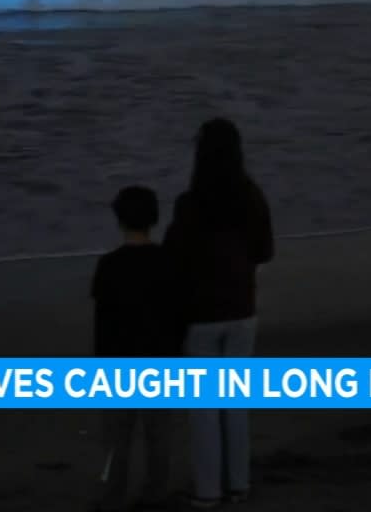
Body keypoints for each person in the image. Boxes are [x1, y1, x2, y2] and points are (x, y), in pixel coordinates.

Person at [162, 118, 274, 509]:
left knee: (205, 408)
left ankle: (208, 490)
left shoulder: (190, 204)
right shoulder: (251, 196)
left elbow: (173, 261)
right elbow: (265, 252)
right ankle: (238, 484)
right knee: (236, 402)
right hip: (242, 309)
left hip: (201, 314)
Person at [91, 185, 185, 512]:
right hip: (161, 357)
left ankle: (113, 495)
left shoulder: (109, 266)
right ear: (154, 218)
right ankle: (155, 493)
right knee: (159, 435)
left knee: (117, 438)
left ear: (119, 219)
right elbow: (178, 317)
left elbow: (103, 324)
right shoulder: (168, 262)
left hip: (118, 360)